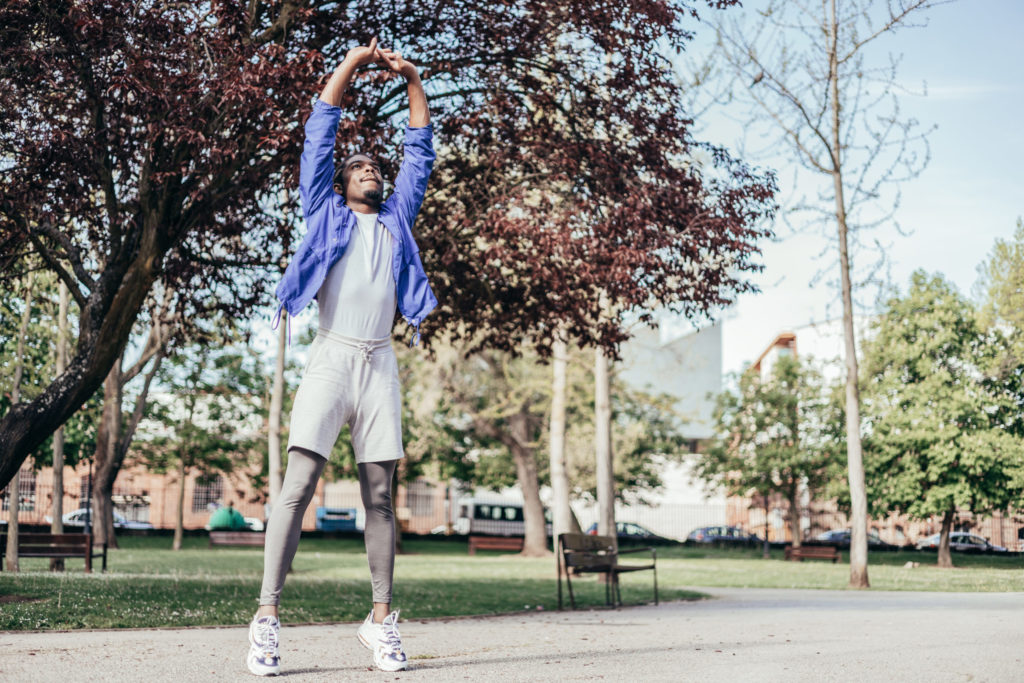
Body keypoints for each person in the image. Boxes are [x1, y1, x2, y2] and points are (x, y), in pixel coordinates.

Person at [246, 37, 437, 677]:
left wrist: (410, 76)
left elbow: (420, 150)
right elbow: (319, 130)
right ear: (341, 181)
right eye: (357, 167)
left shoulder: (397, 220)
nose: (370, 170)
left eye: (374, 168)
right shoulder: (323, 211)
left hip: (380, 362)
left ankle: (382, 620)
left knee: (380, 496)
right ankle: (267, 618)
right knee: (297, 486)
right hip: (331, 358)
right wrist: (355, 62)